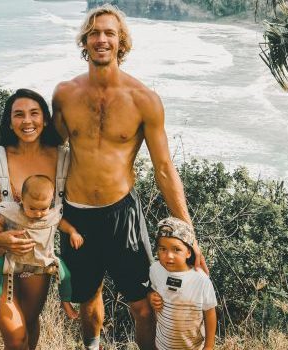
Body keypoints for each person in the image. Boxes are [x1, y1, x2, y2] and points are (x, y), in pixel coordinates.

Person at [51, 4, 208, 349]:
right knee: (87, 300)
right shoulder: (65, 94)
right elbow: (44, 149)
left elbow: (165, 169)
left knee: (143, 305)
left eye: (109, 33)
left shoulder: (144, 100)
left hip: (122, 214)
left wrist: (189, 236)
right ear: (85, 41)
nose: (101, 39)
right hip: (75, 215)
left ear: (121, 42)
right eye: (94, 32)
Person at [0, 88, 67, 350]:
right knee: (15, 336)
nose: (27, 121)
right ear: (9, 122)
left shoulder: (63, 158)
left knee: (31, 325)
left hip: (37, 260)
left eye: (34, 113)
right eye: (18, 115)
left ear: (45, 119)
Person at [0, 174, 83, 320]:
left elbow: (61, 223)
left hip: (44, 260)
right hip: (15, 259)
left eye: (43, 208)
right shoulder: (13, 211)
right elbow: (0, 221)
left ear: (50, 203)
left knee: (65, 275)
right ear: (22, 200)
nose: (38, 213)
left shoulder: (51, 215)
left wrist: (73, 232)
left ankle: (65, 301)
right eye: (32, 208)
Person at [149, 217, 216, 350]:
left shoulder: (201, 280)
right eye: (163, 249)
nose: (169, 256)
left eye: (176, 249)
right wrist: (151, 297)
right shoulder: (155, 269)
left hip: (193, 346)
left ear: (189, 252)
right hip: (162, 345)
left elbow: (210, 313)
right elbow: (153, 291)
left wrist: (209, 346)